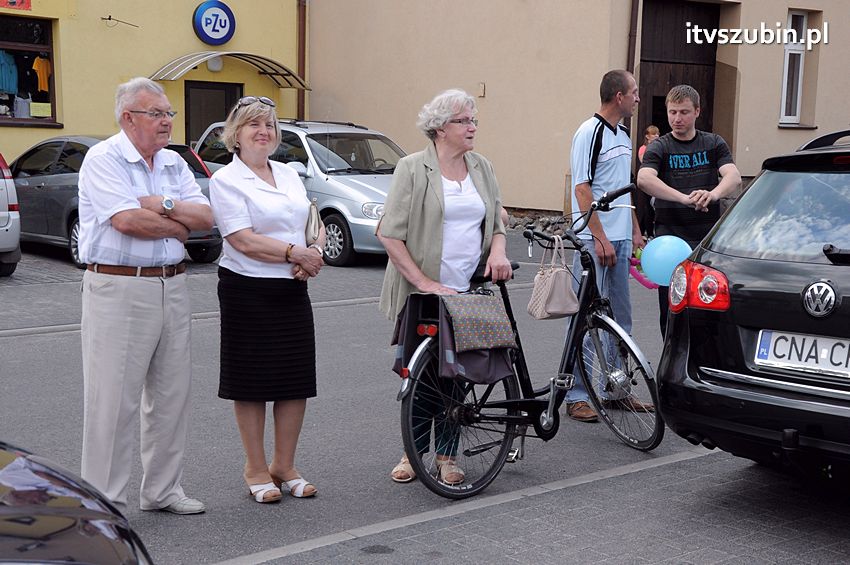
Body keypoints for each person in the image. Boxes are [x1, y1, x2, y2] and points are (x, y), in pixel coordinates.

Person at [78, 77, 213, 514]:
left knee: (171, 396)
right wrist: (178, 224)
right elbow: (126, 222)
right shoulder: (104, 158)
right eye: (156, 113)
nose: (167, 122)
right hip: (119, 285)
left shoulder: (173, 163)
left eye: (169, 113)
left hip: (172, 283)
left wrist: (162, 205)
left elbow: (207, 218)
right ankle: (104, 502)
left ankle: (162, 491)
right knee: (112, 400)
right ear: (127, 118)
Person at [377, 88, 512, 484]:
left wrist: (498, 252)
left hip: (467, 291)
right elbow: (389, 233)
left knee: (458, 373)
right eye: (463, 121)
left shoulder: (481, 167)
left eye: (474, 121)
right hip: (423, 293)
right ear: (439, 128)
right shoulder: (412, 168)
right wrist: (424, 281)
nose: (472, 127)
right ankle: (413, 452)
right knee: (420, 376)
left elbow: (498, 221)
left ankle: (448, 456)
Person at [209, 95, 325, 503]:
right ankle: (255, 468)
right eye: (254, 125)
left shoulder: (289, 173)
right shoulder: (226, 180)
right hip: (247, 288)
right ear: (235, 135)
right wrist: (295, 254)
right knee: (252, 382)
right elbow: (241, 239)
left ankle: (284, 465)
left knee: (295, 381)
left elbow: (311, 221)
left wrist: (315, 252)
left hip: (291, 286)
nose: (264, 132)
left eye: (270, 126)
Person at [565, 69, 649, 423]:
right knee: (586, 319)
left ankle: (616, 389)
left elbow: (623, 188)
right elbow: (583, 189)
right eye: (634, 92)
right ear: (618, 96)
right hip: (592, 240)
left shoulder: (625, 135)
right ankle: (577, 395)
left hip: (619, 238)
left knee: (620, 318)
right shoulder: (589, 132)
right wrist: (599, 238)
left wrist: (634, 230)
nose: (638, 98)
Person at [637, 84, 741, 336]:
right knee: (672, 313)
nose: (677, 118)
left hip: (706, 242)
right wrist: (683, 199)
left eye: (683, 112)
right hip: (670, 244)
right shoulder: (659, 147)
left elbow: (734, 177)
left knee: (708, 312)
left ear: (697, 111)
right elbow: (644, 179)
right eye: (672, 112)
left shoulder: (713, 143)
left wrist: (713, 194)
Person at [635, 125, 660, 236]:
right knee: (648, 206)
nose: (656, 136)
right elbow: (644, 161)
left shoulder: (658, 147)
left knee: (651, 207)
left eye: (657, 133)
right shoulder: (643, 148)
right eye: (653, 134)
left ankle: (645, 231)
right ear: (647, 136)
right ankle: (648, 232)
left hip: (657, 180)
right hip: (647, 180)